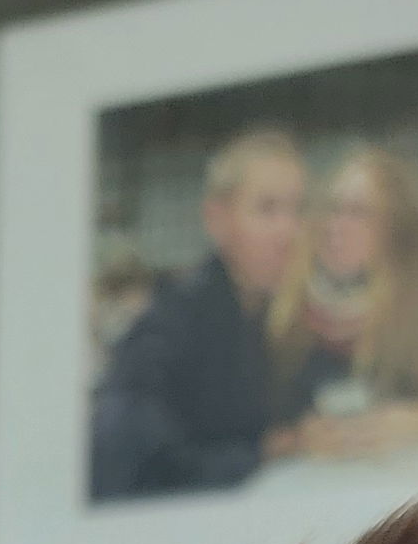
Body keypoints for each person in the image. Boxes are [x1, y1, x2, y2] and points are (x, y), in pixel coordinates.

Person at [88, 127, 305, 501]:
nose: (290, 231)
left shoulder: (268, 317)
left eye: (297, 210)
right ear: (216, 219)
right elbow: (140, 469)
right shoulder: (170, 326)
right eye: (268, 209)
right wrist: (265, 453)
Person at [268, 144, 418, 459]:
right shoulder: (286, 301)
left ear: (394, 229)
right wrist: (296, 439)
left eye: (357, 213)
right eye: (332, 208)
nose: (335, 225)